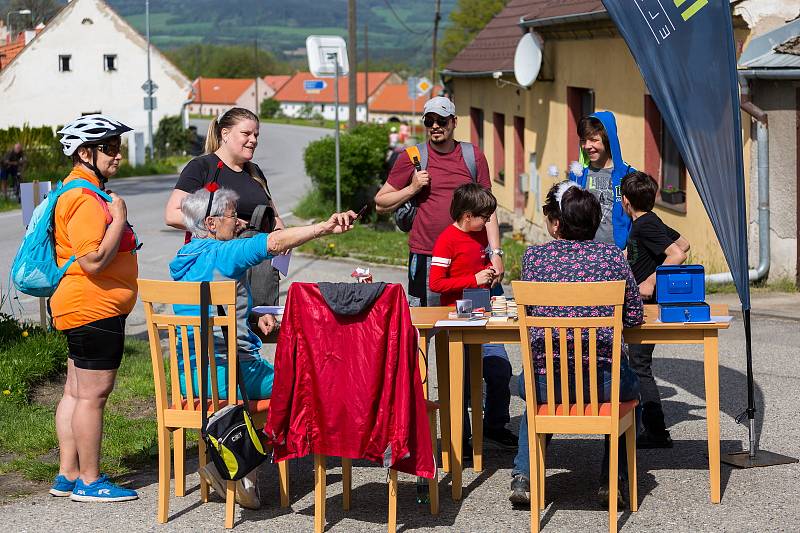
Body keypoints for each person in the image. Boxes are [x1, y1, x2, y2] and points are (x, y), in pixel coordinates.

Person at [170, 186, 357, 506]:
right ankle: (245, 469)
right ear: (211, 223)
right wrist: (323, 227)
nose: (239, 221)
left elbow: (215, 309)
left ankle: (231, 462)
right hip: (228, 376)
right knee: (307, 379)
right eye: (232, 215)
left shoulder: (183, 260)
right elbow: (274, 242)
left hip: (190, 376)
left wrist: (252, 317)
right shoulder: (223, 253)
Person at [374, 96, 508, 452]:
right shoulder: (412, 157)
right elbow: (381, 201)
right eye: (430, 120)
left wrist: (495, 254)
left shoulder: (472, 155)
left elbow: (489, 208)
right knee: (422, 340)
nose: (436, 126)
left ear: (453, 122)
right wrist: (412, 188)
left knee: (482, 337)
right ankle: (424, 425)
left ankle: (490, 422)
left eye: (442, 120)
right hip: (425, 260)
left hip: (472, 262)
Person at [510, 181, 643, 508]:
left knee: (534, 398)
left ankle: (524, 476)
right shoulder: (611, 257)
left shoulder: (535, 257)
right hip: (603, 382)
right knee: (634, 397)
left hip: (546, 382)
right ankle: (613, 480)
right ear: (595, 222)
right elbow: (635, 314)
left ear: (559, 223)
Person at [49, 114, 139, 503]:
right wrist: (118, 217)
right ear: (85, 153)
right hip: (94, 309)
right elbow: (93, 261)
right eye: (110, 148)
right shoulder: (85, 199)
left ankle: (67, 474)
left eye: (118, 147)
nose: (118, 155)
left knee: (75, 392)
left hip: (84, 308)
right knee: (92, 396)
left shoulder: (75, 191)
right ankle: (89, 480)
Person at [164, 107, 284, 335]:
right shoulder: (202, 167)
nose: (253, 140)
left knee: (256, 340)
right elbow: (172, 213)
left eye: (256, 135)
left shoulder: (255, 172)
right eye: (246, 134)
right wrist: (222, 225)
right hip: (218, 265)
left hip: (259, 269)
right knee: (221, 339)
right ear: (225, 134)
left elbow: (275, 217)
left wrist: (281, 241)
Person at [428, 183, 516, 448]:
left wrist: (489, 270)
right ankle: (461, 438)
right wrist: (473, 278)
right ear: (468, 216)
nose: (488, 222)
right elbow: (436, 283)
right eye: (484, 217)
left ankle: (494, 425)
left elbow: (481, 262)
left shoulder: (479, 236)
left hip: (484, 313)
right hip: (458, 320)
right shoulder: (446, 240)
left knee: (500, 370)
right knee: (461, 380)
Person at [621, 171, 690, 448]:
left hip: (646, 305)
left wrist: (651, 280)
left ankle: (657, 431)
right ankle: (648, 426)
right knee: (638, 363)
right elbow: (683, 242)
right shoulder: (649, 222)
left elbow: (678, 253)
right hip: (643, 303)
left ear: (625, 201)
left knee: (639, 365)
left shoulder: (645, 225)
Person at [568, 112, 634, 249]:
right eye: (583, 140)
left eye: (593, 140)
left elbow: (638, 217)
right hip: (584, 252)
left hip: (618, 254)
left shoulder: (628, 175)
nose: (587, 146)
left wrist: (629, 251)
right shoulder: (577, 176)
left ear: (608, 139)